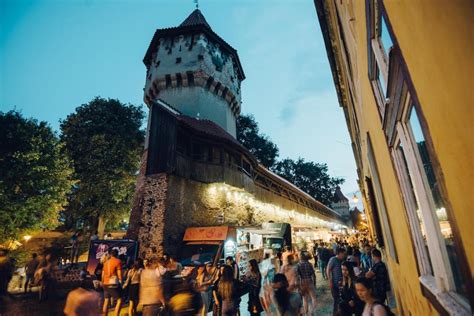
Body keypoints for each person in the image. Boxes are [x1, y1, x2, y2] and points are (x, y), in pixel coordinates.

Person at [101, 249, 123, 316]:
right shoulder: (118, 261)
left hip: (105, 283)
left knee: (106, 301)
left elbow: (103, 275)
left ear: (110, 254)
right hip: (113, 283)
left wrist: (103, 283)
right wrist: (121, 282)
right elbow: (119, 274)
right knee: (120, 300)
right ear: (117, 254)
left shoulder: (105, 263)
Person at [327, 247, 346, 316]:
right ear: (339, 253)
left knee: (340, 300)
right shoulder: (333, 259)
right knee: (336, 300)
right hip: (335, 284)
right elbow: (328, 270)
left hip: (340, 284)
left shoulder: (340, 260)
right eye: (343, 254)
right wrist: (330, 281)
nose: (344, 255)